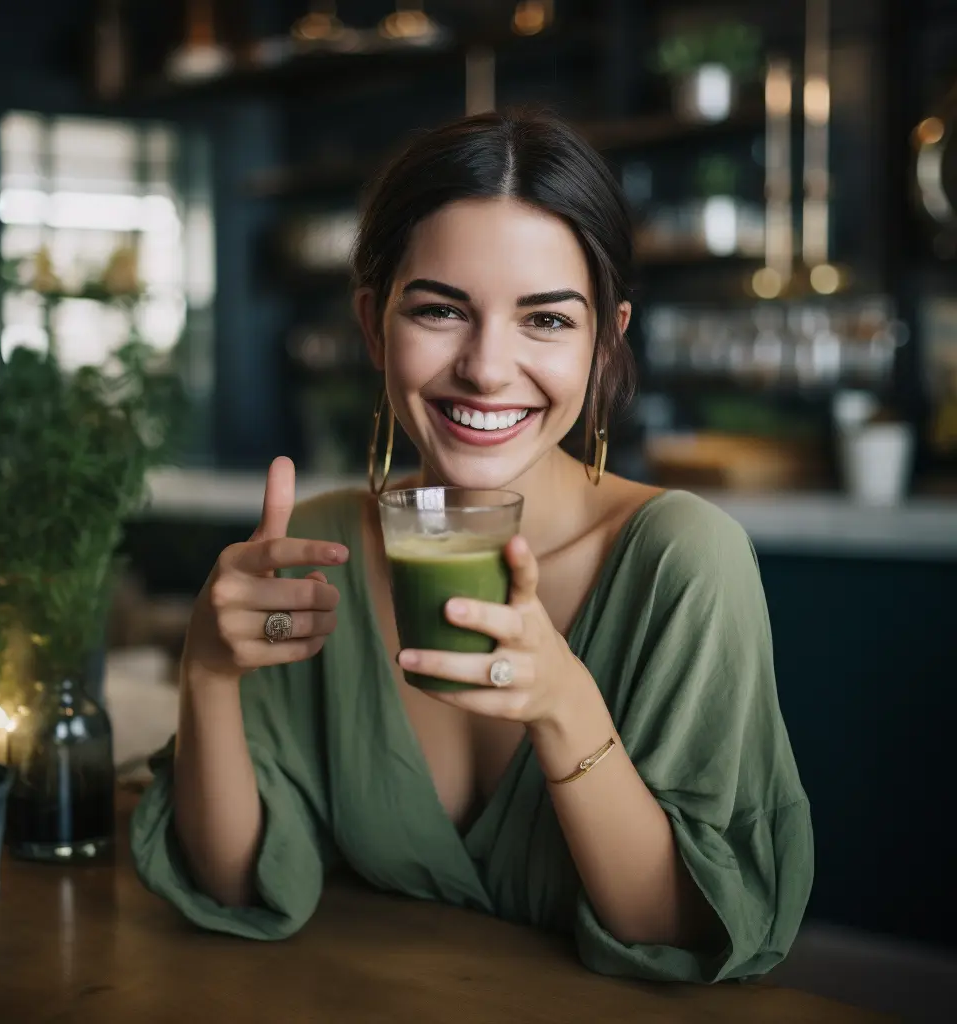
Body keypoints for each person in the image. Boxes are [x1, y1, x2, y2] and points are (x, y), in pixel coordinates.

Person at [131, 112, 813, 983]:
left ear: (607, 341)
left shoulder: (683, 559)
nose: (488, 368)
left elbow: (672, 930)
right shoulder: (320, 547)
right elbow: (232, 880)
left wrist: (565, 702)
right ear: (375, 327)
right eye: (441, 310)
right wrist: (208, 670)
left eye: (548, 321)